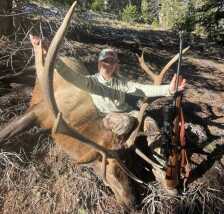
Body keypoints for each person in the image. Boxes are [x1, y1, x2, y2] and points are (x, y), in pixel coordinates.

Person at [30, 35, 186, 194]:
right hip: (109, 119)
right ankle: (122, 154)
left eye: (112, 62)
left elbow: (143, 89)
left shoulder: (122, 83)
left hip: (130, 114)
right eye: (105, 61)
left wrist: (169, 89)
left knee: (151, 125)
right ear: (99, 64)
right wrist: (49, 52)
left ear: (116, 66)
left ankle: (160, 169)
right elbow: (67, 73)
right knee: (123, 122)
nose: (108, 65)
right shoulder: (90, 82)